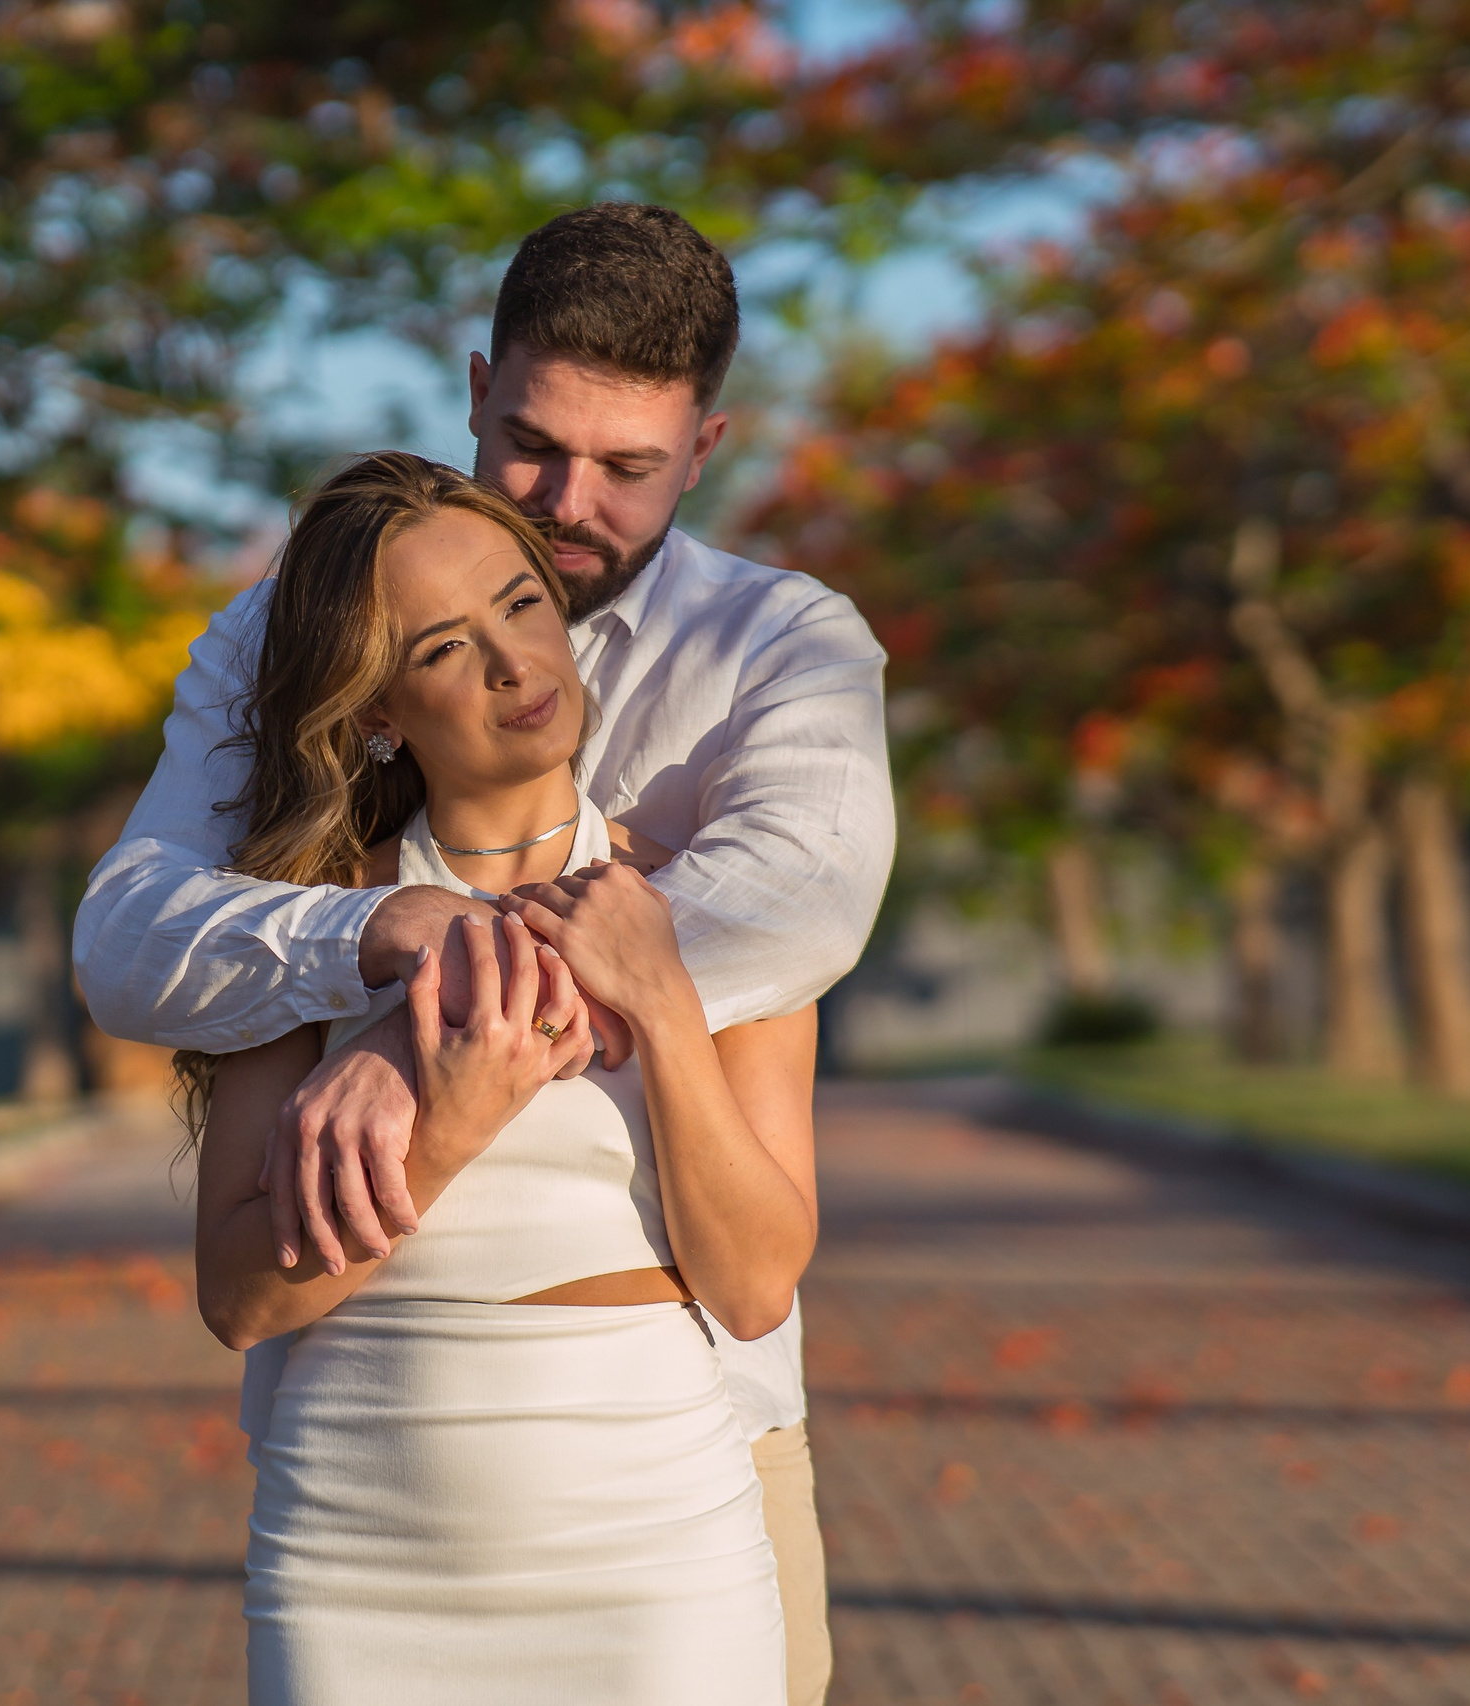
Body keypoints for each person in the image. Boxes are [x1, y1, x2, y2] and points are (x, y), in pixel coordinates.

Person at [78, 203, 893, 1705]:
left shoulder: (781, 652)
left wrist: (428, 1031)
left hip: (677, 1470)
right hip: (358, 1508)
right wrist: (380, 940)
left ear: (705, 448)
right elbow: (132, 942)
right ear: (473, 387)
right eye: (531, 443)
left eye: (628, 468)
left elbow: (799, 912)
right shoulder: (290, 726)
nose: (568, 505)